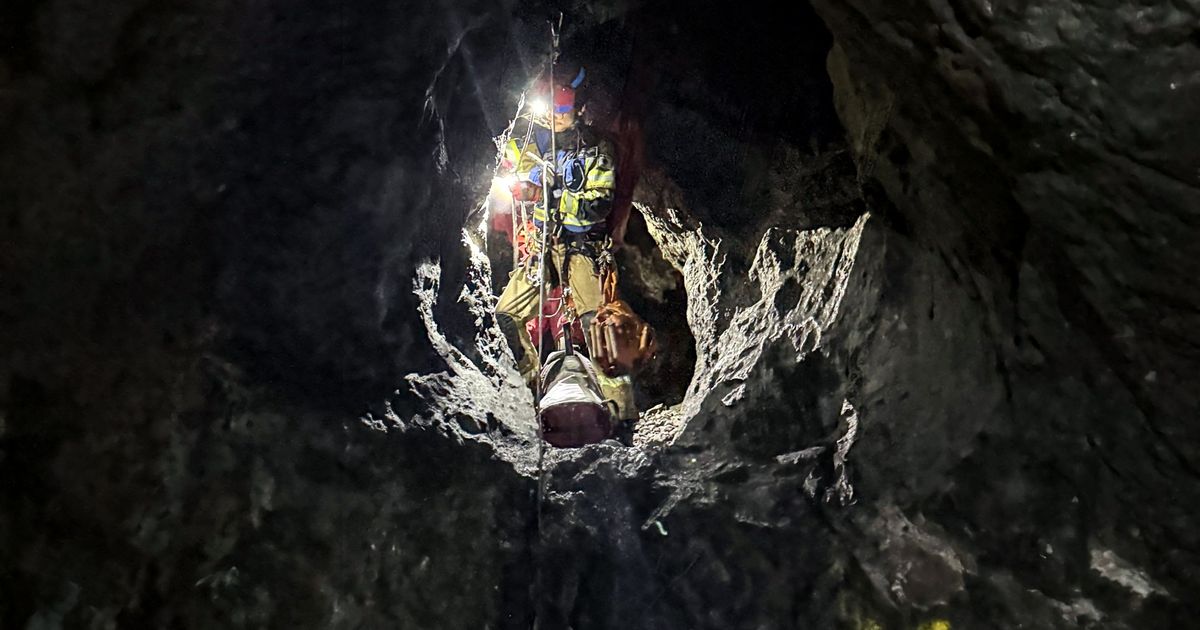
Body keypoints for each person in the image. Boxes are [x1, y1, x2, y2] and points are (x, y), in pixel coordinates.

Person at [494, 66, 637, 425]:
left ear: (576, 111)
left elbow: (598, 203)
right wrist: (537, 175)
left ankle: (620, 409)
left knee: (598, 325)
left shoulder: (594, 148)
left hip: (582, 247)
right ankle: (528, 390)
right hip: (543, 246)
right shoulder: (533, 138)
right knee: (504, 317)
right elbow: (511, 150)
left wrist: (556, 196)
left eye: (563, 112)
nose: (556, 119)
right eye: (551, 112)